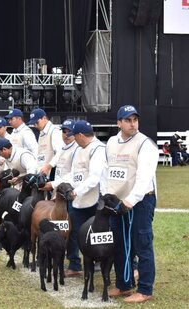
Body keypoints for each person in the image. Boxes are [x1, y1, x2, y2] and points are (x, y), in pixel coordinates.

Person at [104, 105, 158, 303]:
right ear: (119, 123)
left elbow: (144, 178)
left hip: (141, 201)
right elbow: (108, 170)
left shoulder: (145, 144)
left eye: (135, 119)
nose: (132, 123)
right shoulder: (111, 142)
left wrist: (130, 200)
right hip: (118, 202)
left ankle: (145, 289)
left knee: (141, 244)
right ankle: (123, 284)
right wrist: (107, 195)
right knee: (120, 244)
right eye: (127, 120)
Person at [44, 120, 106, 277]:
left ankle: (99, 261)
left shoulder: (98, 149)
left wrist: (76, 192)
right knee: (72, 231)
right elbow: (73, 174)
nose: (71, 138)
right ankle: (74, 264)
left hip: (95, 198)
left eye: (73, 135)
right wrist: (54, 184)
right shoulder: (79, 149)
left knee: (97, 232)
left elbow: (95, 178)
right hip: (78, 200)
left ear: (80, 135)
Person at [27, 108, 64, 179]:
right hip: (42, 174)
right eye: (33, 124)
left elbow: (60, 153)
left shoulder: (54, 131)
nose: (35, 126)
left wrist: (49, 166)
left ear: (44, 118)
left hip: (52, 172)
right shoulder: (42, 132)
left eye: (37, 122)